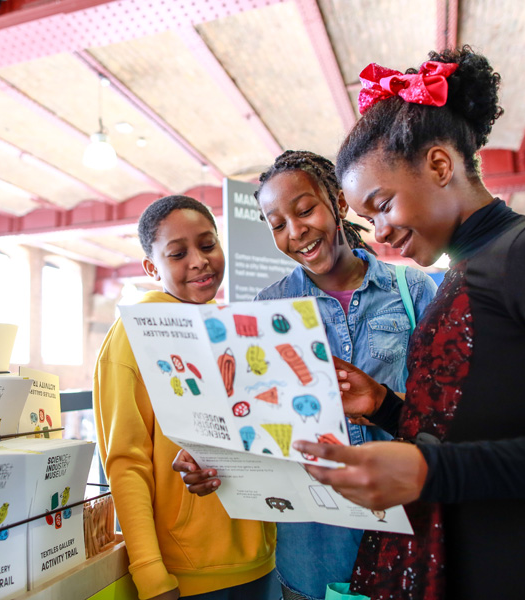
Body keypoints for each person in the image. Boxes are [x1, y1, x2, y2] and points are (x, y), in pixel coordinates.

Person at [290, 46, 525, 600]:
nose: (378, 234)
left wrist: (430, 471)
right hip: (457, 560)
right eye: (366, 218)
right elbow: (478, 426)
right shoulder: (461, 271)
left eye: (381, 205)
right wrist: (382, 404)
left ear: (438, 164)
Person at [173, 150, 437, 600]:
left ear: (337, 201)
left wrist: (382, 401)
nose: (295, 232)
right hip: (311, 547)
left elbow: (444, 415)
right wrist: (208, 457)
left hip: (403, 534)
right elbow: (247, 417)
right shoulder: (264, 309)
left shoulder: (411, 291)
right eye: (277, 224)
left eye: (305, 209)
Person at [93, 195, 278, 600]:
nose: (198, 261)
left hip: (262, 562)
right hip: (187, 572)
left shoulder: (230, 329)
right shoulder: (131, 335)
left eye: (208, 244)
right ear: (150, 266)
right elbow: (126, 462)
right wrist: (150, 574)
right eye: (178, 253)